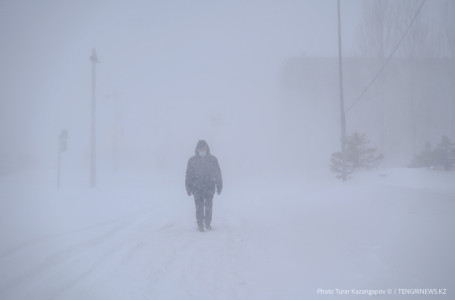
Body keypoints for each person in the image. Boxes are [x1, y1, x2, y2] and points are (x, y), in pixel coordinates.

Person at [185, 140, 223, 232]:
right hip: (196, 187)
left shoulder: (213, 159)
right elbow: (188, 174)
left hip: (209, 186)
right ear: (197, 149)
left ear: (207, 148)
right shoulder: (192, 160)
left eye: (204, 148)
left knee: (209, 205)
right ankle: (200, 225)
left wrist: (219, 184)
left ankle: (207, 223)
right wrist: (188, 187)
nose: (202, 150)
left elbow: (218, 172)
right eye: (200, 149)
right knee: (199, 206)